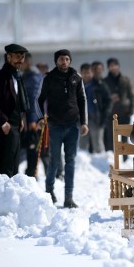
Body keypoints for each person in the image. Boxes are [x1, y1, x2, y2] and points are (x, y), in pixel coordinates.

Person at [38, 49, 88, 208]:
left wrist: (84, 122)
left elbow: (82, 100)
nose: (64, 62)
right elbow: (39, 100)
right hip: (55, 124)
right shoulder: (49, 78)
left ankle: (68, 197)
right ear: (56, 61)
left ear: (70, 61)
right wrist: (41, 118)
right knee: (54, 160)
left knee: (71, 161)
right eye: (61, 59)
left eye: (67, 59)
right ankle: (49, 192)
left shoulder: (77, 77)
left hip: (73, 125)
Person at [0, 44, 30, 177]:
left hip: (15, 127)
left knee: (14, 165)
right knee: (4, 167)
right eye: (17, 57)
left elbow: (18, 100)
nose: (20, 60)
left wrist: (21, 118)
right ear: (8, 57)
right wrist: (3, 122)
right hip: (3, 128)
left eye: (22, 57)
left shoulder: (17, 76)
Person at [103, 58, 134, 155]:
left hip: (124, 113)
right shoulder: (105, 81)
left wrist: (130, 111)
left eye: (115, 65)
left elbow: (132, 96)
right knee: (110, 139)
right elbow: (102, 98)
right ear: (108, 68)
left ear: (118, 66)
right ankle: (111, 159)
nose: (113, 68)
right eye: (111, 66)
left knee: (124, 139)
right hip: (110, 114)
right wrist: (110, 99)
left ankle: (125, 160)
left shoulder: (125, 80)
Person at [79, 63, 111, 153]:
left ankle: (100, 163)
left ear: (92, 73)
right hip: (82, 118)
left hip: (96, 117)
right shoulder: (77, 86)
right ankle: (83, 163)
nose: (86, 75)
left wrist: (104, 117)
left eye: (88, 73)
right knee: (82, 144)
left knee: (98, 144)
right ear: (80, 73)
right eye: (84, 73)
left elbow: (108, 101)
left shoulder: (99, 85)